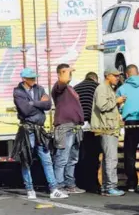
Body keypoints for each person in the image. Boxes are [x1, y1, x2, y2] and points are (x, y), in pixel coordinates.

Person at [13, 68, 68, 199]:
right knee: (26, 159)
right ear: (24, 79)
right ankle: (29, 189)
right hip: (27, 130)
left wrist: (32, 103)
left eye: (34, 78)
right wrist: (39, 104)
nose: (34, 80)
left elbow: (48, 105)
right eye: (31, 78)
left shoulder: (40, 88)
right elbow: (25, 110)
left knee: (47, 159)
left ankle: (54, 189)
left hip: (40, 129)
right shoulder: (18, 92)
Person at [91, 68, 126, 196]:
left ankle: (107, 186)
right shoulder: (102, 88)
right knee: (111, 158)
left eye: (118, 76)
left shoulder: (109, 88)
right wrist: (116, 101)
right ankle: (110, 186)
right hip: (107, 128)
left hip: (110, 127)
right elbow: (102, 105)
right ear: (107, 76)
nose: (117, 78)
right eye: (115, 76)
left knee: (108, 158)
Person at [52, 64, 85, 194]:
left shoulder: (70, 88)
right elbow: (63, 80)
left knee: (72, 159)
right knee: (62, 158)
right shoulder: (58, 87)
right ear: (60, 74)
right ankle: (58, 186)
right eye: (66, 72)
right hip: (65, 127)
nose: (70, 74)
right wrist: (67, 71)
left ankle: (70, 185)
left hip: (75, 127)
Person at [117, 65, 139, 192]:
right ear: (138, 73)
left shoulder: (122, 88)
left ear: (127, 74)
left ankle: (132, 183)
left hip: (130, 122)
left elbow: (119, 106)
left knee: (129, 153)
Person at [74, 72, 100, 193]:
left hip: (78, 125)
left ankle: (79, 181)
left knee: (79, 155)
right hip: (92, 126)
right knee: (93, 156)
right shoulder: (96, 87)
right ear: (95, 79)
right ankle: (92, 183)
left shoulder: (76, 88)